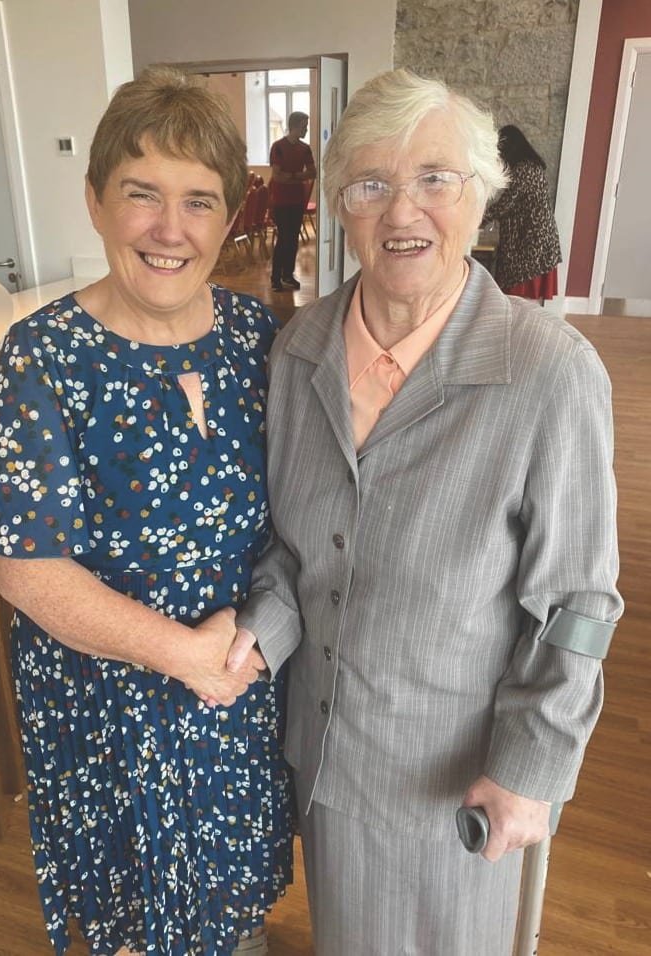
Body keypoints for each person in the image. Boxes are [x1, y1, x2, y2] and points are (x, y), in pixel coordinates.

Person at [234, 69, 623, 955]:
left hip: (454, 774)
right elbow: (289, 553)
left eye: (434, 180)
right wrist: (257, 632)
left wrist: (530, 767)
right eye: (371, 184)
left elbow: (578, 609)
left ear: (481, 198)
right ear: (339, 206)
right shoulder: (295, 352)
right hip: (320, 754)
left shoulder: (548, 371)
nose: (401, 213)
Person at [0, 66, 293, 956]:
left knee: (231, 902)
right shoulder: (42, 357)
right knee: (133, 923)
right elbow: (20, 564)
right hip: (102, 706)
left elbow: (298, 516)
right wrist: (181, 654)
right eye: (141, 194)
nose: (169, 230)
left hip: (234, 685)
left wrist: (247, 639)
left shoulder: (258, 341)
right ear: (97, 202)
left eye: (198, 201)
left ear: (230, 217)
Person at [483, 123, 562, 300]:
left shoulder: (524, 170)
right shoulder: (533, 167)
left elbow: (506, 204)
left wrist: (478, 219)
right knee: (528, 299)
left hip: (529, 242)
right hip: (537, 239)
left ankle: (521, 326)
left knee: (521, 298)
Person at [269, 111, 316, 292]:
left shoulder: (305, 149)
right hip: (281, 200)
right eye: (304, 126)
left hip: (297, 200)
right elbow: (277, 177)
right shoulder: (278, 147)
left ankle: (288, 274)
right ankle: (276, 278)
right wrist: (299, 177)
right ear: (295, 126)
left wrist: (292, 176)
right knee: (283, 239)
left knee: (293, 239)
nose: (306, 129)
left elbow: (313, 173)